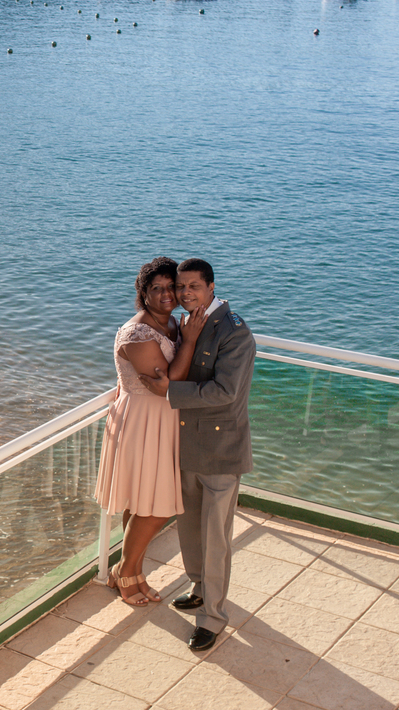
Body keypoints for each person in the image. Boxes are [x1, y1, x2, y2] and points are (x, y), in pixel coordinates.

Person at [139, 258, 255, 651]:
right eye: (181, 286)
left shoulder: (234, 332)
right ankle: (200, 588)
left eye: (193, 286)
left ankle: (213, 619)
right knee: (190, 527)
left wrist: (169, 393)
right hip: (187, 443)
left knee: (217, 537)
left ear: (211, 287)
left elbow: (225, 392)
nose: (185, 293)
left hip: (221, 450)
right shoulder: (189, 323)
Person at [95, 257, 203, 605]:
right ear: (143, 293)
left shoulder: (172, 324)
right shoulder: (138, 333)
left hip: (162, 420)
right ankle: (126, 571)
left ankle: (129, 571)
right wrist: (191, 339)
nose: (167, 294)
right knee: (156, 506)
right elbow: (170, 384)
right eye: (156, 288)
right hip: (143, 421)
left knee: (144, 500)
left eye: (171, 286)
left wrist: (183, 334)